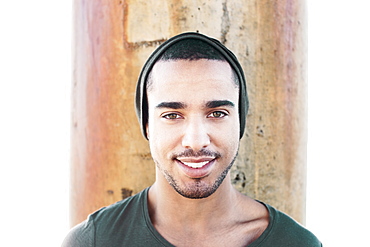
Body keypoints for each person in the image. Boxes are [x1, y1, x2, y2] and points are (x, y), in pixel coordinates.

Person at [62, 32, 321, 246]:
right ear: (147, 125)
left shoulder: (296, 243)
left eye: (217, 113)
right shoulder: (95, 240)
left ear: (240, 121)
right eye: (173, 115)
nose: (196, 141)